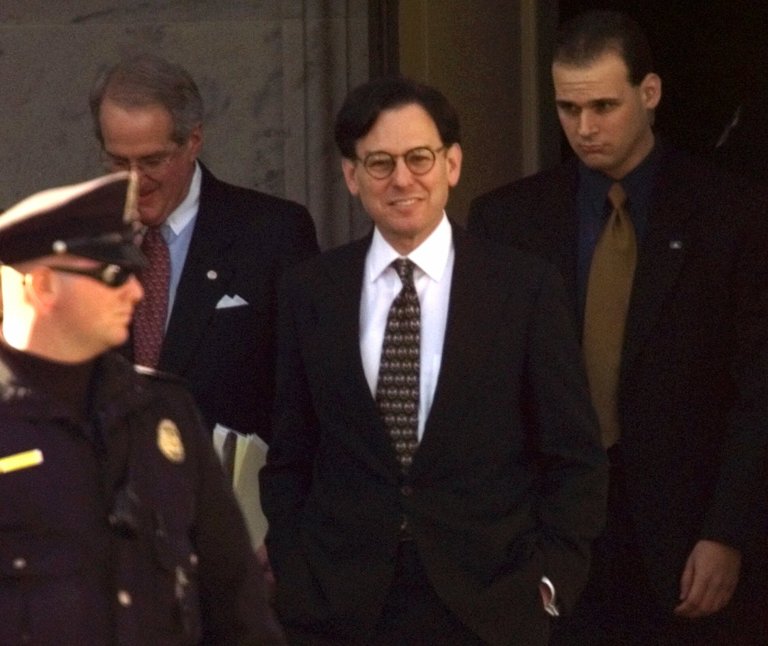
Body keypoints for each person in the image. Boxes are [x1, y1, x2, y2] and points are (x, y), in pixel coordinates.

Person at [259, 76, 608, 645]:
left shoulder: (523, 288)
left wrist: (548, 585)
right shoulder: (310, 291)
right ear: (351, 175)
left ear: (452, 164)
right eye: (380, 163)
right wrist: (296, 573)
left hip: (489, 606)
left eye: (419, 158)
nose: (402, 179)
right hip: (339, 608)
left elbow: (575, 457)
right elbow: (291, 453)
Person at [468, 10, 768, 645]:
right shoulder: (508, 220)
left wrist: (727, 532)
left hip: (686, 535)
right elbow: (487, 389)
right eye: (568, 109)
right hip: (549, 534)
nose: (585, 128)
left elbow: (757, 391)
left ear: (649, 93)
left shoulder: (731, 213)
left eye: (603, 105)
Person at [0, 172, 286, 644]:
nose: (136, 291)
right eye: (113, 275)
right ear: (44, 286)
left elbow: (236, 601)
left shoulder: (162, 412)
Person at [89, 53, 319, 444]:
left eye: (152, 161)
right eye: (117, 161)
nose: (134, 180)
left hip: (224, 496)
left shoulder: (273, 234)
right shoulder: (82, 242)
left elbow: (303, 398)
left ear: (193, 141)